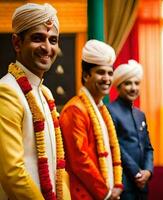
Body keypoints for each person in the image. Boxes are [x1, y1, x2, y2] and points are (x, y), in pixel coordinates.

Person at [0, 3, 70, 199]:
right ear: (17, 43)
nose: (47, 48)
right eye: (38, 38)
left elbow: (59, 165)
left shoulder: (45, 93)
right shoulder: (7, 91)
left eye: (53, 40)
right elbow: (13, 174)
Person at [59, 40, 123, 200]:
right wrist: (106, 193)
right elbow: (80, 161)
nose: (107, 78)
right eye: (101, 72)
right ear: (86, 75)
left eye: (110, 73)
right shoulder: (75, 109)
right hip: (83, 193)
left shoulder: (100, 109)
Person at [107, 60, 154, 200]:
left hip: (142, 184)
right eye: (128, 83)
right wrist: (137, 173)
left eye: (136, 83)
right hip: (123, 184)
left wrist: (148, 171)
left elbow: (148, 148)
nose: (133, 88)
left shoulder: (140, 114)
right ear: (118, 86)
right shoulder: (110, 111)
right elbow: (116, 147)